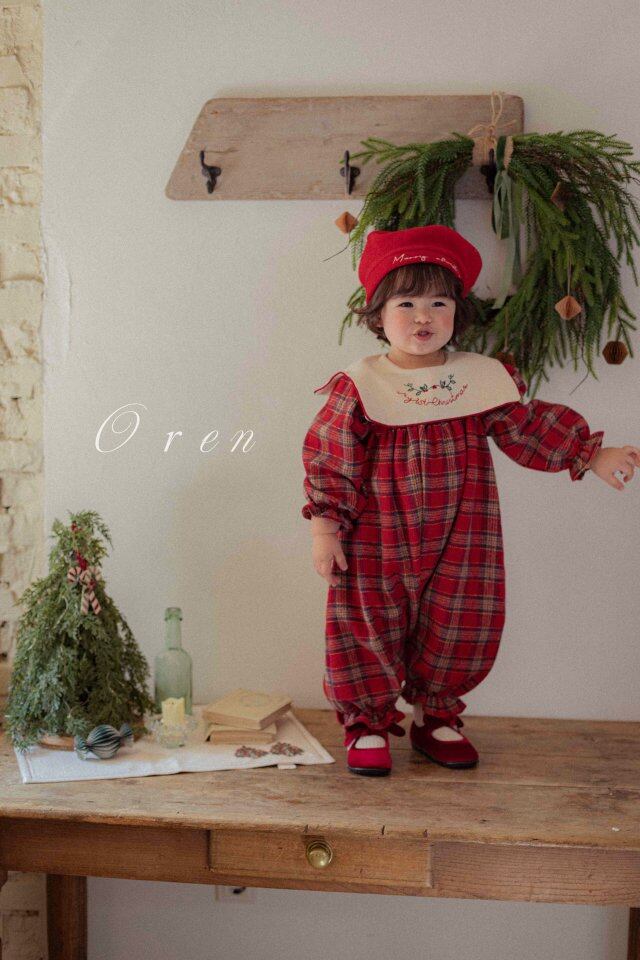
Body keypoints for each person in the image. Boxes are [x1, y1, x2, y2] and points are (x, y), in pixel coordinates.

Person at [301, 225, 640, 777]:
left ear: (456, 313)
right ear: (378, 314)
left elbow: (524, 426)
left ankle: (436, 715)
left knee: (458, 619)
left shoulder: (480, 379)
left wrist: (588, 453)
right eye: (406, 303)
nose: (423, 317)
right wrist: (325, 527)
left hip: (464, 532)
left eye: (439, 303)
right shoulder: (360, 385)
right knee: (367, 621)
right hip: (376, 535)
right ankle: (367, 722)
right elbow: (331, 454)